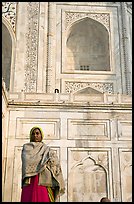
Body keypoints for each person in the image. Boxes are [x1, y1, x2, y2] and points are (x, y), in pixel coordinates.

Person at [20, 126, 65, 202]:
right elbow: (27, 161)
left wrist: (51, 161)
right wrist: (44, 162)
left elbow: (54, 162)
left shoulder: (47, 149)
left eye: (37, 133)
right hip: (30, 180)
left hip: (44, 179)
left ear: (41, 135)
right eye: (33, 134)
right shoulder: (26, 148)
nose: (35, 135)